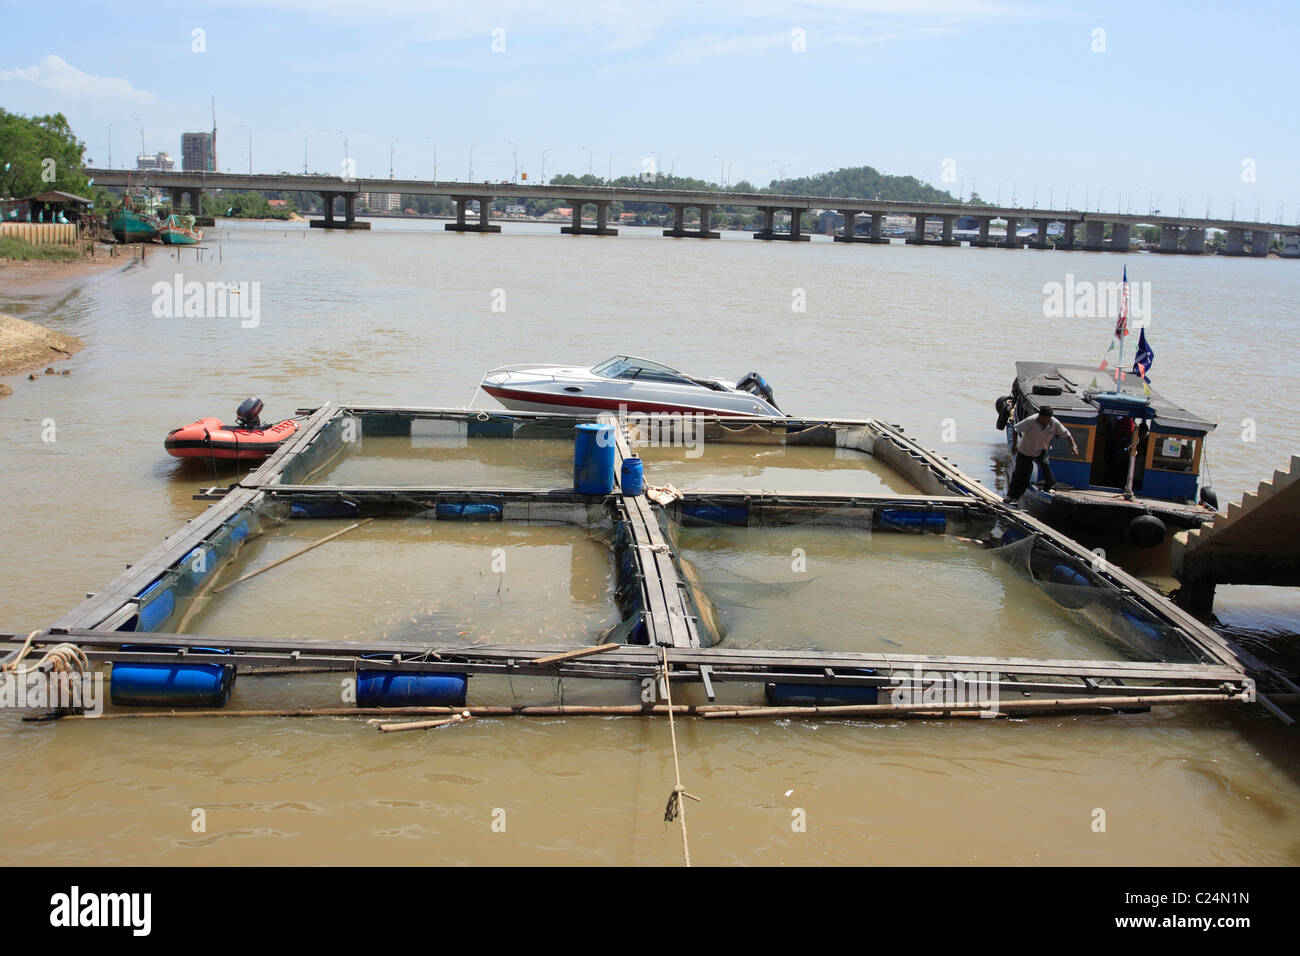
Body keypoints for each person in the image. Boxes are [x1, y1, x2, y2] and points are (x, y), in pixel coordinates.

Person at [1005, 405, 1079, 504]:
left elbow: (1067, 434)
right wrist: (1015, 445)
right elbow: (1015, 429)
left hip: (1040, 450)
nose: (1046, 421)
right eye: (1044, 419)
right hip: (1025, 451)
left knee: (1046, 466)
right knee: (1020, 474)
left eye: (1048, 419)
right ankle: (1011, 497)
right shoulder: (1031, 420)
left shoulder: (1054, 423)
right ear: (1039, 416)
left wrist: (1074, 446)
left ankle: (1049, 488)